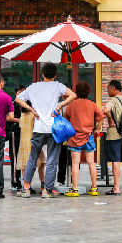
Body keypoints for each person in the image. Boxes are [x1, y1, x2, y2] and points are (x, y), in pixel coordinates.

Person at [15, 63, 76, 198]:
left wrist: (31, 109)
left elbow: (18, 99)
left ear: (43, 74)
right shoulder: (58, 86)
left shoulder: (34, 86)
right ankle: (46, 190)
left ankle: (26, 188)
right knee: (52, 160)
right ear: (55, 75)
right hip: (53, 129)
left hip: (38, 128)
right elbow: (73, 95)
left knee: (32, 158)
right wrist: (60, 105)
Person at [63, 81, 104, 197]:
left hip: (74, 137)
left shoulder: (72, 105)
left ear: (76, 91)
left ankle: (74, 189)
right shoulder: (92, 104)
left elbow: (66, 120)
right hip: (89, 136)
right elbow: (101, 116)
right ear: (88, 92)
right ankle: (94, 188)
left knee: (75, 163)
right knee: (91, 162)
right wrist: (97, 128)